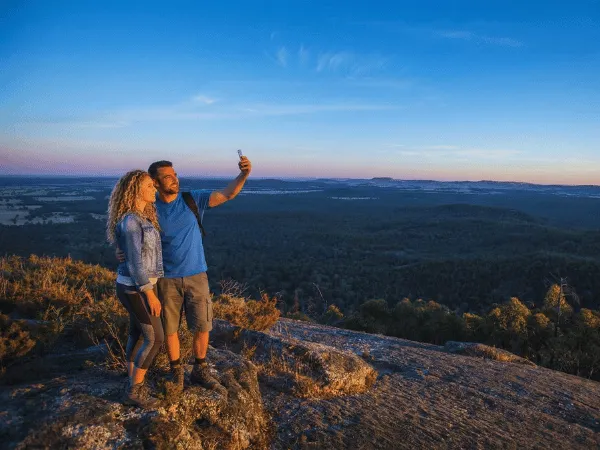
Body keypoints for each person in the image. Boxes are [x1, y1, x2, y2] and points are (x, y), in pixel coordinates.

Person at [120, 155, 252, 391]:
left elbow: (228, 193)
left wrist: (243, 175)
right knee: (170, 328)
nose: (175, 180)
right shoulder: (149, 209)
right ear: (156, 183)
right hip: (164, 278)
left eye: (175, 175)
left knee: (203, 324)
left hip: (196, 274)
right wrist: (122, 251)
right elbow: (130, 232)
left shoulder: (192, 199)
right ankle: (176, 372)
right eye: (167, 177)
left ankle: (200, 369)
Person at [107, 170, 165, 408]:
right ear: (135, 190)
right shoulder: (132, 220)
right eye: (150, 185)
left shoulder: (140, 218)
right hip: (136, 288)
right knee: (155, 338)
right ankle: (134, 391)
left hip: (135, 286)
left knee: (137, 333)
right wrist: (149, 293)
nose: (155, 189)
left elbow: (129, 253)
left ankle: (131, 379)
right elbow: (135, 262)